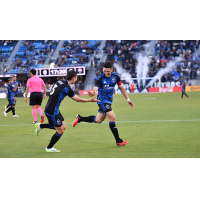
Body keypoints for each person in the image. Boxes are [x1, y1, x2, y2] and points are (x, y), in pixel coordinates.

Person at [73, 61, 135, 146]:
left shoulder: (116, 77)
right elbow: (95, 88)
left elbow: (122, 88)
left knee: (99, 120)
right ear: (103, 69)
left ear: (111, 70)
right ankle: (118, 141)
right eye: (104, 71)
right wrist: (92, 92)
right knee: (112, 117)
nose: (106, 73)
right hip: (101, 101)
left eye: (108, 71)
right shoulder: (100, 78)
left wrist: (128, 100)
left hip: (109, 101)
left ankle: (80, 118)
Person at [35, 70, 99, 152]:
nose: (76, 79)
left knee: (63, 126)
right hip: (52, 111)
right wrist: (90, 100)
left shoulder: (60, 81)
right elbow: (78, 99)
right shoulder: (67, 88)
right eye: (76, 78)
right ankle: (49, 147)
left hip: (54, 109)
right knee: (60, 131)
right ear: (73, 78)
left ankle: (40, 126)